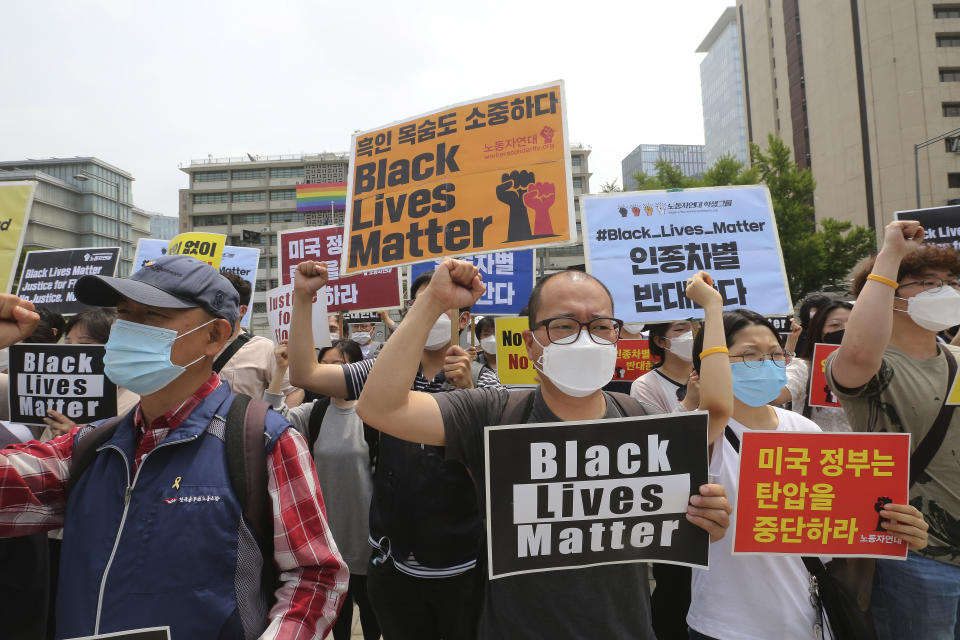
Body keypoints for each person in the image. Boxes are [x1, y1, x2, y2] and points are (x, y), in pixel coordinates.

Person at [354, 259, 734, 639]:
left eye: (602, 326)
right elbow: (380, 408)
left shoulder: (638, 420)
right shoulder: (492, 413)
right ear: (529, 341)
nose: (586, 339)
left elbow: (716, 414)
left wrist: (700, 521)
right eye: (564, 326)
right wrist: (433, 302)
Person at [0, 256, 348, 639]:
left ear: (215, 335)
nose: (127, 330)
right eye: (123, 314)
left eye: (150, 317)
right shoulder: (90, 447)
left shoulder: (263, 441)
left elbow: (314, 577)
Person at [686, 308, 928, 640]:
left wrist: (895, 527)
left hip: (810, 620)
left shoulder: (803, 430)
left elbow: (836, 529)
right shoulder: (701, 436)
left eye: (774, 353)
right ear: (712, 363)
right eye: (748, 355)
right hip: (727, 626)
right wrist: (711, 306)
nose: (767, 363)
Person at [288, 264, 501, 640]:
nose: (428, 317)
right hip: (392, 562)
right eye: (421, 307)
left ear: (463, 317)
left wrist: (467, 394)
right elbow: (305, 374)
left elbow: (494, 469)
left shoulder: (487, 382)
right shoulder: (383, 375)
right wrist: (303, 298)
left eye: (439, 307)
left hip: (462, 565)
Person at [827, 219, 957, 640]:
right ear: (890, 297)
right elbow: (862, 348)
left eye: (951, 281)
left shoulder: (956, 359)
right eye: (927, 282)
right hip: (915, 554)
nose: (947, 290)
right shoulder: (869, 368)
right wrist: (891, 253)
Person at [266, 339, 381, 640]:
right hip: (328, 539)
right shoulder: (313, 413)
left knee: (372, 617)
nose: (329, 371)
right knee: (338, 621)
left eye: (338, 364)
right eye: (324, 364)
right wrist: (280, 371)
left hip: (368, 538)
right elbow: (272, 421)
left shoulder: (375, 413)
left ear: (356, 369)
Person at [40, 307, 140, 438]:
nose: (71, 353)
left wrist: (79, 438)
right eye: (68, 344)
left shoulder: (136, 403)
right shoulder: (64, 395)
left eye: (85, 344)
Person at [216, 272, 301, 405]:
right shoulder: (194, 344)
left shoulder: (265, 348)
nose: (213, 308)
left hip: (245, 425)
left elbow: (294, 391)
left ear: (242, 310)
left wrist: (273, 422)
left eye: (222, 302)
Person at [782, 300, 853, 431]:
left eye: (855, 323)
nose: (846, 329)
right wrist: (789, 347)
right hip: (816, 449)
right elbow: (773, 396)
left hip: (866, 450)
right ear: (818, 330)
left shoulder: (879, 367)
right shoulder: (804, 369)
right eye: (835, 325)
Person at [630, 320, 695, 413]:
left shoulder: (710, 376)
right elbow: (657, 427)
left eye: (695, 328)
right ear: (660, 341)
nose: (690, 335)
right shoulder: (644, 386)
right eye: (680, 329)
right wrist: (689, 403)